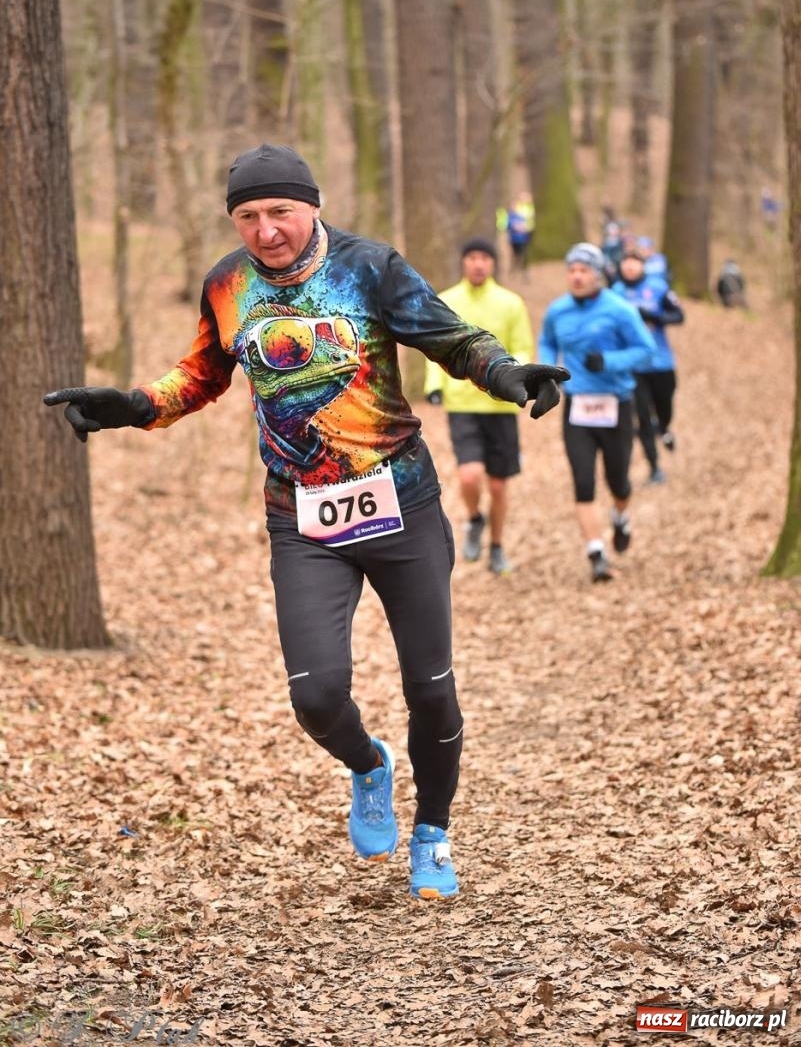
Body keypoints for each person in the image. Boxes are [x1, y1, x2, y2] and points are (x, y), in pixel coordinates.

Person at [43, 143, 568, 900]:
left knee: (430, 688)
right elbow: (201, 373)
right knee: (315, 695)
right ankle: (368, 766)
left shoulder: (369, 267)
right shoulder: (226, 284)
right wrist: (135, 406)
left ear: (312, 208)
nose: (265, 231)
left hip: (401, 503)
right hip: (301, 517)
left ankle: (433, 835)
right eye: (248, 217)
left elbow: (452, 338)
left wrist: (507, 373)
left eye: (279, 213)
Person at [538, 243, 655, 583]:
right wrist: (548, 370)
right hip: (577, 408)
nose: (576, 275)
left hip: (615, 403)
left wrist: (609, 362)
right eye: (572, 269)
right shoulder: (557, 310)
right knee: (583, 482)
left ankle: (620, 516)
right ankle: (596, 552)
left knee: (618, 481)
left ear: (599, 274)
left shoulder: (619, 310)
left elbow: (645, 350)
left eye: (584, 270)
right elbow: (547, 341)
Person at [424, 238, 535, 576]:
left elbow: (523, 347)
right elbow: (435, 349)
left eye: (485, 258)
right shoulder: (447, 300)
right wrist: (434, 385)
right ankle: (474, 519)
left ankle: (497, 546)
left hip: (500, 407)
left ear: (493, 264)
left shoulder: (511, 303)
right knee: (469, 475)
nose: (478, 264)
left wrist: (518, 378)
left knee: (499, 485)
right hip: (462, 404)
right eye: (472, 257)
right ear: (463, 262)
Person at [612, 243, 685, 483]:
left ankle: (663, 428)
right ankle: (654, 467)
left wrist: (655, 317)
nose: (630, 267)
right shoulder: (615, 292)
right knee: (642, 416)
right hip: (633, 366)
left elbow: (679, 315)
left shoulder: (658, 287)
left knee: (664, 406)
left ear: (643, 265)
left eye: (635, 262)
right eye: (626, 263)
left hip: (661, 362)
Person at [503, 190, 536, 270]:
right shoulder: (518, 207)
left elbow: (530, 220)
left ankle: (524, 268)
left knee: (524, 252)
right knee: (515, 252)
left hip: (526, 233)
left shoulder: (530, 207)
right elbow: (511, 220)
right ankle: (515, 267)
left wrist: (524, 227)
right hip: (515, 235)